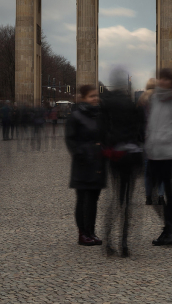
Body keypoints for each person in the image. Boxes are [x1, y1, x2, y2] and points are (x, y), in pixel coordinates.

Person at [99, 69, 145, 257]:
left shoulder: (106, 103)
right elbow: (140, 130)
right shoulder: (131, 103)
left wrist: (107, 147)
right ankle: (124, 244)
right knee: (128, 200)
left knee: (115, 199)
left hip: (115, 156)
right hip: (131, 155)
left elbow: (101, 131)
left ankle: (108, 241)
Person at [144, 67, 172, 247]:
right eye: (161, 78)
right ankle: (167, 227)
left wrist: (168, 137)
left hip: (168, 151)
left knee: (168, 191)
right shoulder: (153, 99)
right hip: (153, 150)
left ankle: (168, 231)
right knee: (151, 192)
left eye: (167, 79)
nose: (163, 81)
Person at [65, 84, 105, 246]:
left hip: (97, 162)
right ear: (83, 98)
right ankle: (83, 233)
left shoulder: (100, 115)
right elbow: (70, 140)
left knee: (94, 199)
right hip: (83, 163)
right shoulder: (75, 116)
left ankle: (91, 231)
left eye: (96, 95)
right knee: (83, 199)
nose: (95, 98)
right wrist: (81, 154)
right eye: (91, 96)